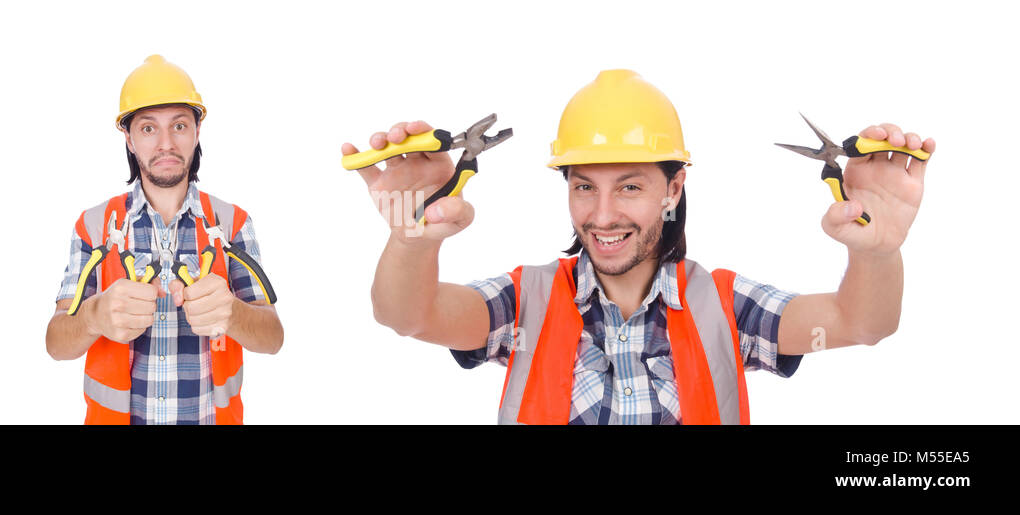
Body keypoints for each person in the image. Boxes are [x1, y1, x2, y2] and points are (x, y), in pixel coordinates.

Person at [345, 69, 933, 424]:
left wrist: (876, 253)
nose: (602, 216)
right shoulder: (524, 304)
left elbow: (860, 323)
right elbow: (407, 314)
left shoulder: (724, 307)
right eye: (583, 187)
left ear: (673, 187)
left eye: (630, 186)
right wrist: (410, 240)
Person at [45, 55, 283, 425]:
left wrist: (233, 314)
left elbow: (272, 338)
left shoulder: (233, 223)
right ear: (128, 138)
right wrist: (93, 317)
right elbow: (56, 344)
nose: (166, 143)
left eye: (180, 125)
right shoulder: (93, 226)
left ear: (197, 131)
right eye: (148, 128)